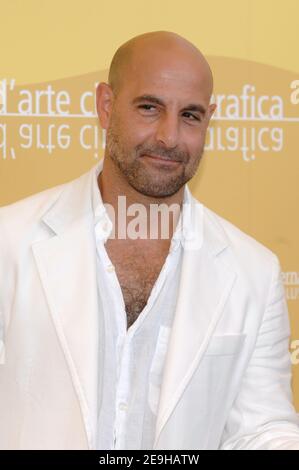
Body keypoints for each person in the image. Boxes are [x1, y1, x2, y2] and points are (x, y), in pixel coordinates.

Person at [0, 31, 299, 450]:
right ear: (106, 106)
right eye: (149, 108)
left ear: (209, 120)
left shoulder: (255, 271)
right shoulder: (9, 243)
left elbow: (261, 429)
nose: (169, 137)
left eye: (190, 115)